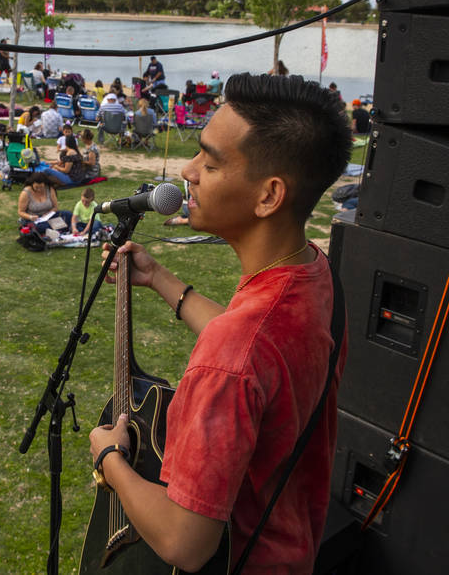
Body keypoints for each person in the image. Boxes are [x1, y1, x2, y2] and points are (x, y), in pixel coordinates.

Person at [87, 73, 352, 573]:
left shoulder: (234, 352)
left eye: (209, 162)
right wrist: (160, 278)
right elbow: (255, 350)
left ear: (269, 196)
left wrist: (110, 460)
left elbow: (184, 543)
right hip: (294, 551)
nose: (187, 170)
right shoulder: (316, 271)